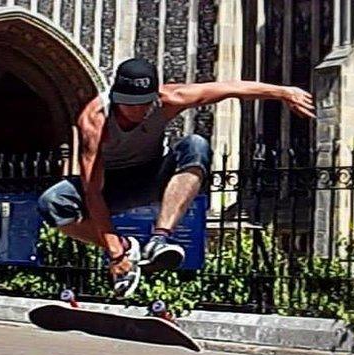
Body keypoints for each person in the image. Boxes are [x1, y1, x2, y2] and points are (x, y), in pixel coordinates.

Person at [37, 58, 315, 298]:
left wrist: (283, 92)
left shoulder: (171, 98)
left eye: (142, 104)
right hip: (109, 185)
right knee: (52, 202)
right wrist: (115, 253)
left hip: (152, 175)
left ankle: (160, 238)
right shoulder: (95, 120)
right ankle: (128, 247)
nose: (134, 111)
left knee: (195, 144)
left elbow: (230, 88)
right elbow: (93, 192)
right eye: (127, 104)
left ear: (155, 96)